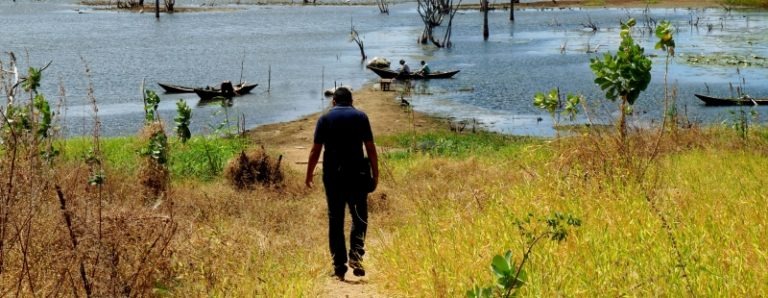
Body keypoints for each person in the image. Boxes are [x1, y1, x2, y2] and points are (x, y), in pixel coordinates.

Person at [305, 87, 379, 281]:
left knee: (335, 219)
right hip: (357, 175)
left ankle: (339, 266)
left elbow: (315, 150)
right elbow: (370, 148)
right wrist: (376, 174)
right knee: (359, 216)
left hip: (333, 176)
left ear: (333, 102)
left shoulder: (325, 119)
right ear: (351, 100)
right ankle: (356, 256)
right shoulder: (361, 117)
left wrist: (309, 174)